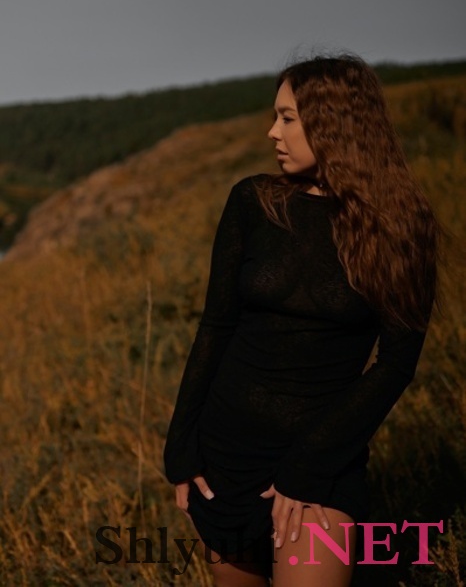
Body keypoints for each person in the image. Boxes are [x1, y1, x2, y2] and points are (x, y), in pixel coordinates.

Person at [163, 53, 445, 587]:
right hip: (224, 459)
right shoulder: (253, 201)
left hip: (320, 466)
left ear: (332, 123)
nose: (273, 132)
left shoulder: (401, 226)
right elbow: (215, 327)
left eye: (288, 118)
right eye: (277, 116)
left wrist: (308, 465)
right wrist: (180, 445)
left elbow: (396, 364)